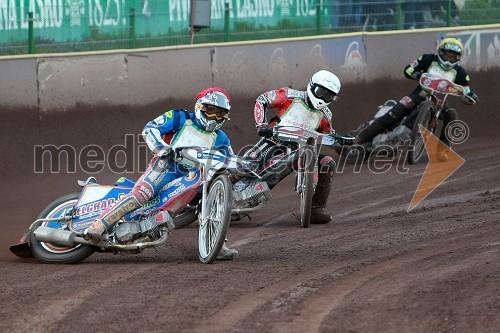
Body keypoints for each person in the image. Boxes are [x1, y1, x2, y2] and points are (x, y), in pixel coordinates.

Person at [85, 87, 238, 260]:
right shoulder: (180, 117)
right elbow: (150, 128)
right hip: (166, 165)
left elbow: (230, 159)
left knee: (214, 198)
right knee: (142, 194)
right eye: (210, 111)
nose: (214, 117)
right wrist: (162, 148)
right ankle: (99, 225)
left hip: (195, 178)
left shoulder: (221, 138)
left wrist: (240, 168)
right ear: (200, 107)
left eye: (220, 114)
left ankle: (218, 243)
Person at [353, 37, 479, 162]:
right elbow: (408, 69)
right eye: (447, 54)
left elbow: (466, 92)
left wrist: (471, 96)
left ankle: (443, 150)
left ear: (458, 57)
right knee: (392, 115)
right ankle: (358, 140)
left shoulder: (460, 72)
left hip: (441, 102)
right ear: (441, 52)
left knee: (452, 114)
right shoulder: (428, 59)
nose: (449, 58)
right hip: (419, 95)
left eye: (453, 56)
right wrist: (417, 74)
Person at [253, 70, 342, 224]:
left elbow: (328, 136)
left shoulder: (326, 115)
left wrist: (341, 145)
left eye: (328, 96)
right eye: (321, 92)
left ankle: (315, 209)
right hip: (275, 141)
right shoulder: (289, 95)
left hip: (303, 151)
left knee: (328, 163)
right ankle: (226, 195)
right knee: (249, 164)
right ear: (311, 86)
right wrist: (262, 125)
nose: (322, 98)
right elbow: (262, 100)